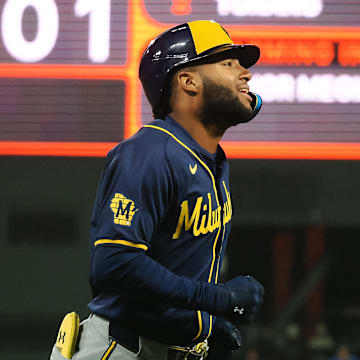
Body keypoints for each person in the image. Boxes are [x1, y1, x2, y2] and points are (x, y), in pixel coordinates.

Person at [50, 20, 264, 360]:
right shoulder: (150, 152)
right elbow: (116, 263)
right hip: (121, 347)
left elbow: (171, 268)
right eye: (227, 63)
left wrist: (201, 325)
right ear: (188, 81)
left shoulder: (211, 161)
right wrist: (219, 299)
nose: (245, 74)